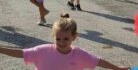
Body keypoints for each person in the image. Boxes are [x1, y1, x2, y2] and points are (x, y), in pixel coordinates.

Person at [0, 13, 129, 70]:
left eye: (66, 39)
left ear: (74, 37)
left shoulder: (79, 55)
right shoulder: (43, 51)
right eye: (58, 39)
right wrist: (1, 49)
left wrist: (117, 68)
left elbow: (98, 61)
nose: (61, 42)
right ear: (53, 37)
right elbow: (21, 53)